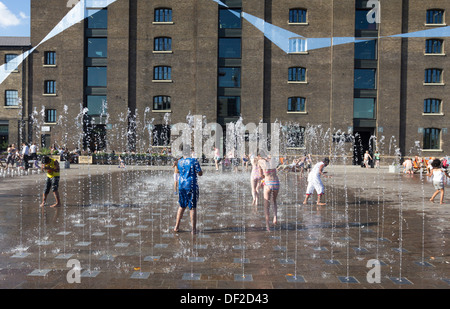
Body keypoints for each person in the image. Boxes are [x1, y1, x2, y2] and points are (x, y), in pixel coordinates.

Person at [174, 155, 203, 234]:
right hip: (191, 185)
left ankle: (176, 227)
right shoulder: (194, 160)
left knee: (181, 206)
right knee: (192, 207)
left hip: (181, 185)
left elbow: (179, 172)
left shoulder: (179, 161)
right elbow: (200, 173)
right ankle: (193, 230)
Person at [258, 154, 280, 231]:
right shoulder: (273, 160)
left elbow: (261, 175)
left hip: (268, 184)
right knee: (274, 201)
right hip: (276, 182)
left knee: (266, 206)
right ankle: (275, 217)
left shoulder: (260, 162)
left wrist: (262, 182)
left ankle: (267, 226)